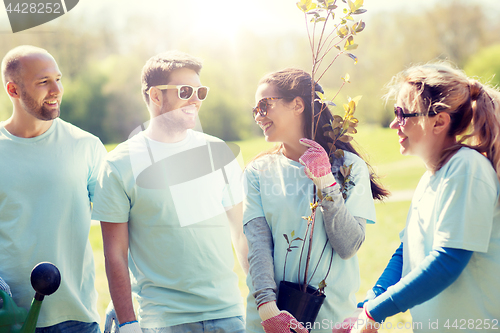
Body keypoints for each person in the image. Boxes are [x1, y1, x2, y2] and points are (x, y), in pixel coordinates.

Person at [92, 50, 248, 333]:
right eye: (186, 91)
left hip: (229, 315)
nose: (196, 100)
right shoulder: (119, 164)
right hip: (164, 321)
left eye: (200, 91)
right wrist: (127, 323)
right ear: (155, 96)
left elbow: (241, 233)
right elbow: (115, 254)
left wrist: (263, 299)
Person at [350, 62, 500, 333]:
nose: (395, 123)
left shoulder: (466, 168)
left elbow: (448, 260)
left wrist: (376, 311)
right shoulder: (431, 177)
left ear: (439, 121)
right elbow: (404, 254)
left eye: (402, 113)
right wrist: (369, 304)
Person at [243, 68, 388, 333]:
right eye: (255, 110)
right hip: (269, 322)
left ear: (297, 104)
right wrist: (268, 311)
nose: (259, 116)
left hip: (331, 323)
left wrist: (325, 182)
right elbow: (258, 247)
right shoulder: (257, 172)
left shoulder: (349, 167)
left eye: (264, 105)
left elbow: (348, 245)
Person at [0, 45, 105, 332]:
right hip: (9, 320)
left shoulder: (86, 146)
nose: (56, 89)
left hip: (77, 319)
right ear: (13, 89)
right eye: (43, 81)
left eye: (58, 79)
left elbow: (118, 228)